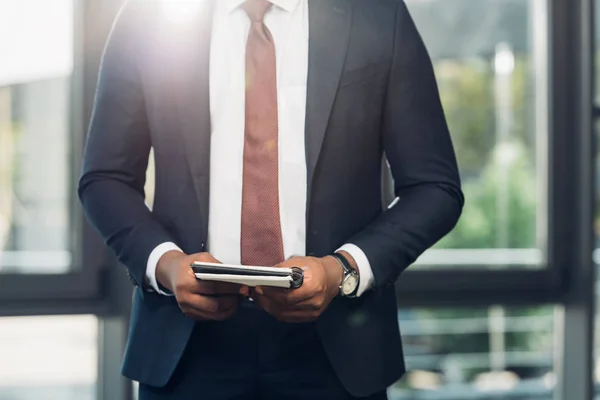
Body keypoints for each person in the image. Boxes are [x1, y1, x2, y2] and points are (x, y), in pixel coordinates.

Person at [79, 0, 464, 399]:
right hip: (184, 349)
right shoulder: (148, 16)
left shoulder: (377, 13)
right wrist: (167, 265)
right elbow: (105, 178)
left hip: (338, 352)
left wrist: (342, 270)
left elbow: (434, 188)